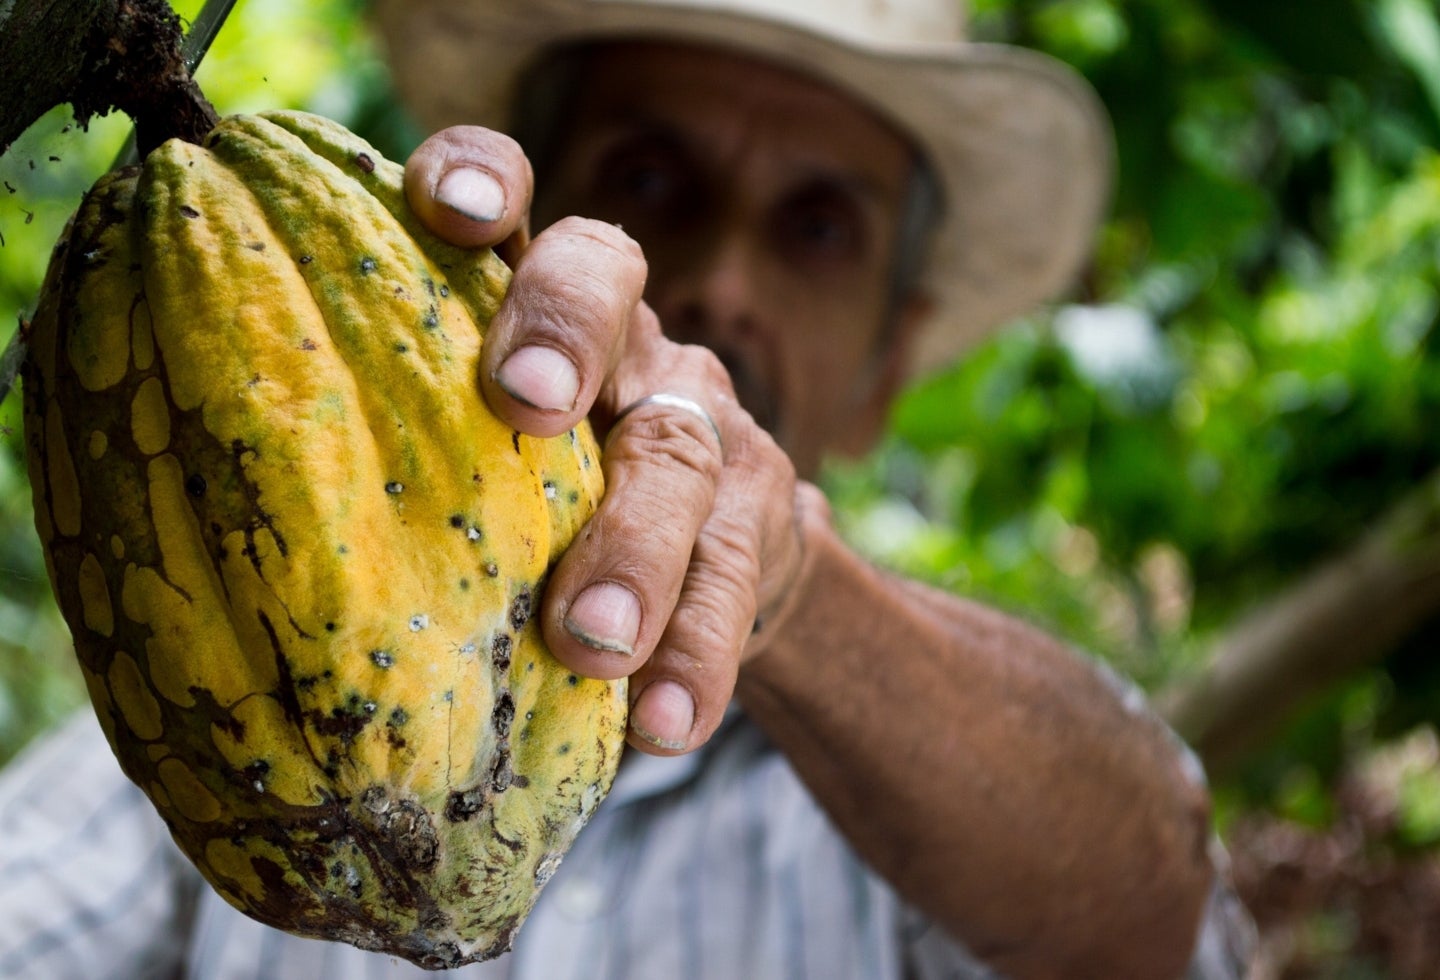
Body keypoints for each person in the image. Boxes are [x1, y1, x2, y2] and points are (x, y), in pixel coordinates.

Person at [0, 0, 1256, 977]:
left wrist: (789, 586)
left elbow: (1154, 910)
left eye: (819, 225)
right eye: (653, 182)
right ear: (504, 227)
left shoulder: (934, 822)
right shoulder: (212, 686)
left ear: (889, 364)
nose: (720, 281)